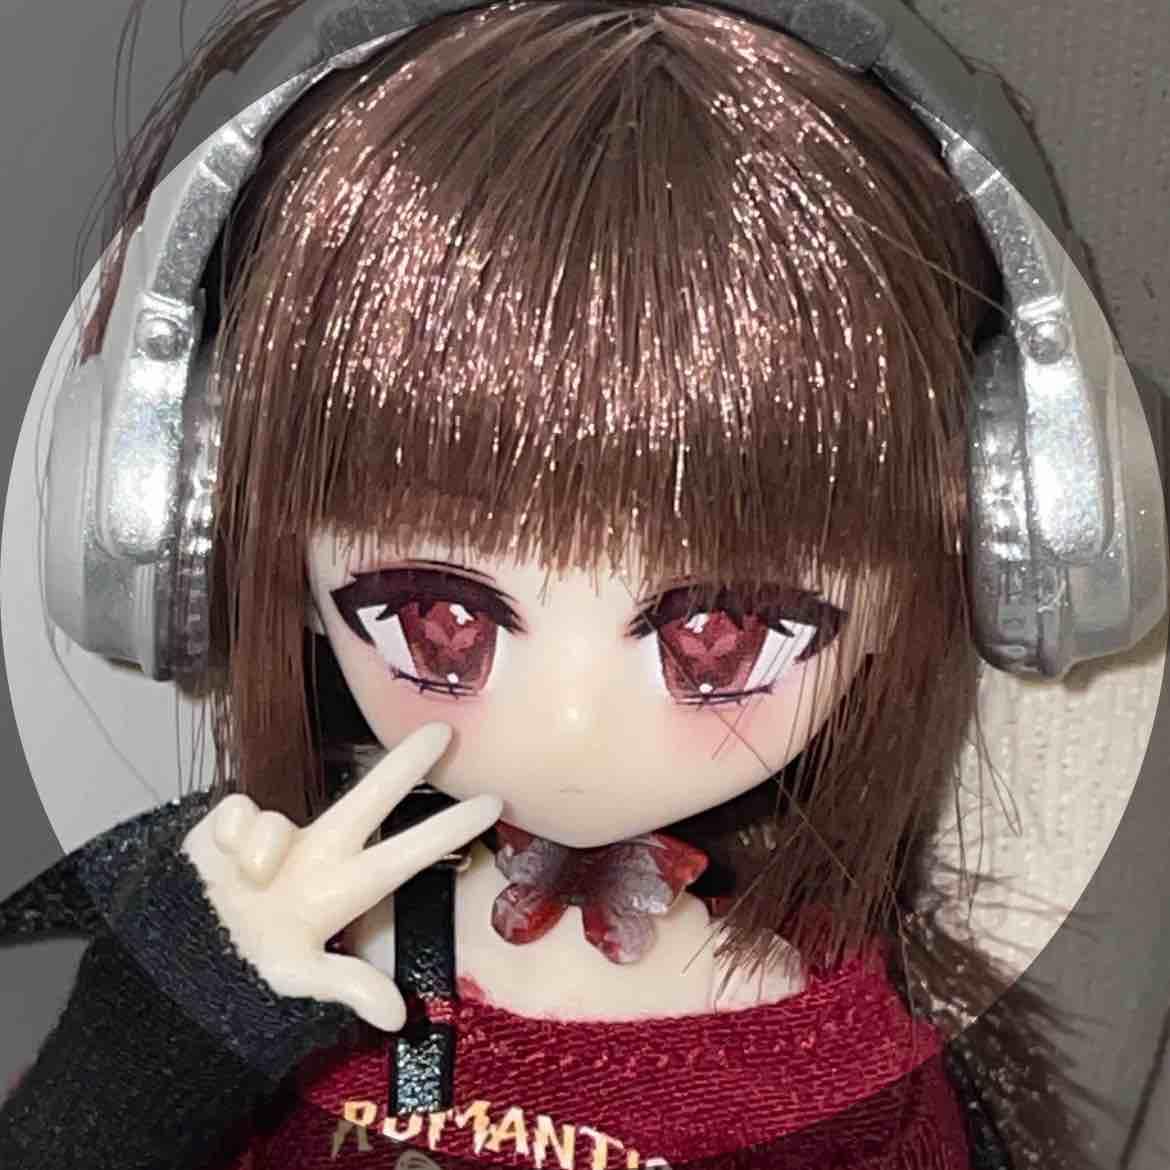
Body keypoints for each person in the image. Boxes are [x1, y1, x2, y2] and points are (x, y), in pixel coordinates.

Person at [2, 1, 1162, 1167]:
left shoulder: (815, 1067)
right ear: (212, 524)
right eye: (438, 618)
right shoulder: (273, 974)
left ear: (982, 555)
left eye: (724, 634)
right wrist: (164, 1028)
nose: (568, 726)